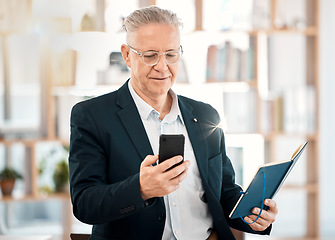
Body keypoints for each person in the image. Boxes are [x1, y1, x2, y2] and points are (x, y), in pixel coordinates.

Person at [69, 6, 278, 240]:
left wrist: (254, 216)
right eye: (150, 55)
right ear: (127, 55)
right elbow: (84, 203)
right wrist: (140, 189)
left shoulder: (206, 115)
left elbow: (224, 193)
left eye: (171, 54)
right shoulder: (92, 116)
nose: (162, 66)